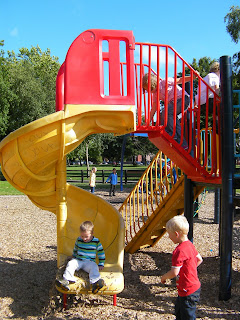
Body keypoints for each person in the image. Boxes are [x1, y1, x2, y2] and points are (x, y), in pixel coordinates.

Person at [161, 215, 203, 320]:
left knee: (187, 315)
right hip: (192, 287)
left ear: (176, 234)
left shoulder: (179, 251)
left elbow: (174, 272)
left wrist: (164, 277)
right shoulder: (190, 245)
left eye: (169, 234)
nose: (169, 237)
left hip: (187, 290)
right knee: (179, 311)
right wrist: (189, 269)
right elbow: (199, 259)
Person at [142, 73, 197, 149]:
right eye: (148, 91)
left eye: (150, 89)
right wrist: (147, 122)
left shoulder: (165, 82)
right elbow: (154, 108)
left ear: (154, 84)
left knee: (167, 112)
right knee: (167, 116)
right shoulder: (155, 94)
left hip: (182, 99)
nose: (151, 92)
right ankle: (182, 142)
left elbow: (179, 80)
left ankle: (173, 134)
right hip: (173, 104)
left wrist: (192, 77)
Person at [56, 221, 105, 294]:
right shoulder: (79, 239)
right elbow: (76, 249)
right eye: (82, 236)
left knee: (94, 266)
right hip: (78, 260)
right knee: (71, 264)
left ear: (92, 233)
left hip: (89, 262)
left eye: (86, 236)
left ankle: (95, 283)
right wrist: (73, 256)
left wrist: (101, 263)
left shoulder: (96, 241)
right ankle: (66, 280)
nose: (84, 239)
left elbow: (101, 252)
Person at [194, 61, 220, 130]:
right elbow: (216, 88)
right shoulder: (214, 76)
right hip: (207, 100)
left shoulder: (206, 77)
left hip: (201, 102)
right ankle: (218, 127)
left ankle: (216, 125)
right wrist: (218, 98)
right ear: (218, 70)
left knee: (215, 111)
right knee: (222, 109)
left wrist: (195, 104)